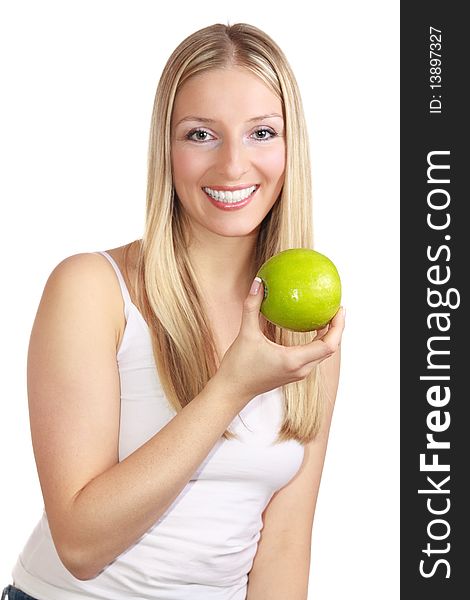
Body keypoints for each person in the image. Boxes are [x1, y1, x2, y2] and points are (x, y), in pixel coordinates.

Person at [2, 22, 345, 600]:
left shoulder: (305, 327)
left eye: (262, 132)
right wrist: (230, 388)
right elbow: (81, 546)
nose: (234, 166)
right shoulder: (92, 290)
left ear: (292, 148)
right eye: (201, 135)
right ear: (166, 147)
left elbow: (285, 541)